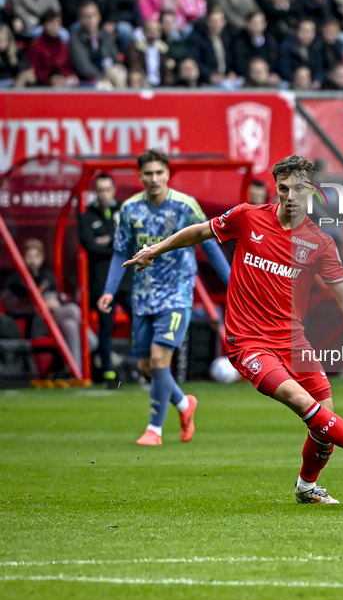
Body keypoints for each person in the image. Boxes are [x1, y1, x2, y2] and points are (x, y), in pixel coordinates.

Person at [124, 153, 343, 502]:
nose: (290, 197)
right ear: (277, 189)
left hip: (293, 341)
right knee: (302, 401)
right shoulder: (248, 217)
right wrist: (155, 250)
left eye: (298, 189)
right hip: (248, 342)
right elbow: (200, 231)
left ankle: (307, 487)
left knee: (325, 421)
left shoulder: (320, 243)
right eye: (284, 189)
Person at [99, 148, 231, 444]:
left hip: (176, 294)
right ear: (140, 176)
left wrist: (231, 281)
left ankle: (154, 430)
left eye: (159, 172)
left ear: (168, 174)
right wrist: (109, 290)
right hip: (143, 296)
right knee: (146, 366)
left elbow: (209, 243)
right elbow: (121, 251)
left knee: (160, 360)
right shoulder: (130, 210)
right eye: (148, 173)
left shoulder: (186, 206)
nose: (154, 178)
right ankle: (185, 404)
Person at [79, 173, 133, 386]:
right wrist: (115, 242)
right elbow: (89, 245)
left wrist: (107, 241)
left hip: (127, 280)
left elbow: (130, 241)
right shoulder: (87, 216)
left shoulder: (124, 211)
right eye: (100, 190)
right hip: (102, 284)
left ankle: (137, 366)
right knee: (106, 327)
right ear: (95, 191)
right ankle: (108, 372)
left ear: (113, 190)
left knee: (141, 321)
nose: (104, 194)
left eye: (107, 189)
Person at [3, 237, 84, 370]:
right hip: (36, 324)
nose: (33, 260)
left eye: (36, 256)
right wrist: (40, 307)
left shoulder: (48, 277)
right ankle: (91, 342)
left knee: (70, 324)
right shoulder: (16, 280)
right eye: (29, 256)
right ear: (22, 257)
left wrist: (57, 303)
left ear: (42, 258)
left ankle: (74, 372)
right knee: (73, 311)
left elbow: (59, 298)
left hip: (57, 321)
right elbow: (10, 307)